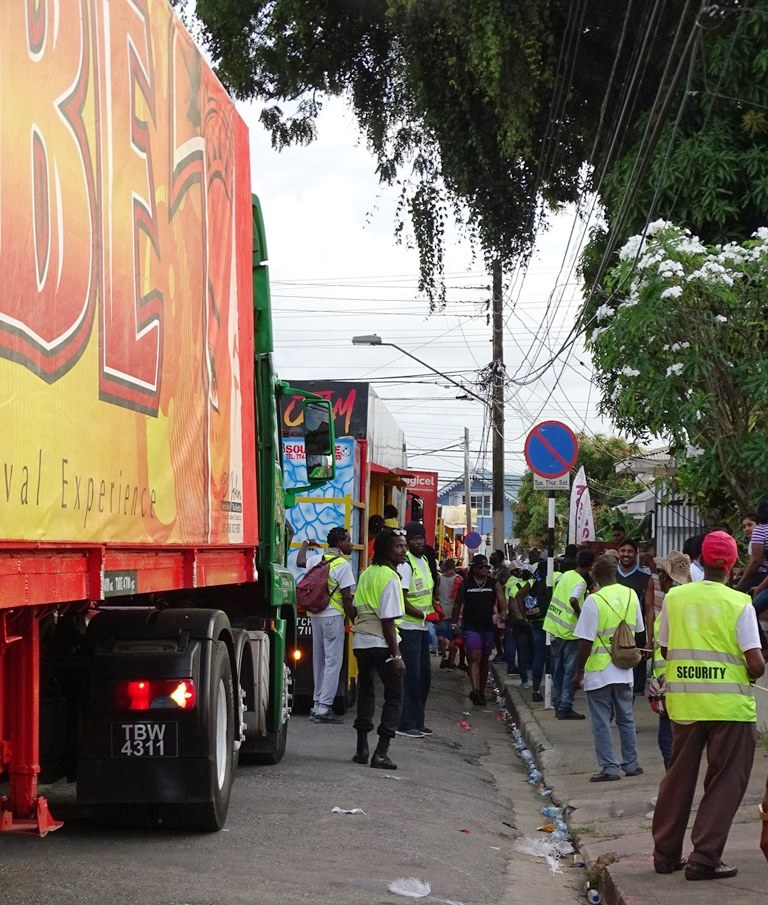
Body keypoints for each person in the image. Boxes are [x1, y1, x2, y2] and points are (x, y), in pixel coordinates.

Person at [652, 531, 765, 881]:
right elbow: (756, 664)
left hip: (685, 704)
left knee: (678, 777)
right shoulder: (739, 603)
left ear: (699, 558)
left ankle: (666, 855)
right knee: (726, 781)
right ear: (731, 565)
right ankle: (704, 858)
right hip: (730, 709)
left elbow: (666, 649)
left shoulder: (676, 598)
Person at [573, 555, 644, 782]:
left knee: (601, 721)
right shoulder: (631, 595)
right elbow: (639, 628)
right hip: (624, 668)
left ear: (594, 576)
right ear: (615, 573)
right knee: (626, 718)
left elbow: (585, 641)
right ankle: (631, 764)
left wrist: (579, 672)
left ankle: (610, 768)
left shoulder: (594, 601)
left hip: (599, 671)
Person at [351, 528, 408, 769]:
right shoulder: (390, 577)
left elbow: (354, 608)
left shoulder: (366, 574)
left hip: (361, 642)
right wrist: (396, 655)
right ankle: (381, 752)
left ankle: (361, 749)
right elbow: (387, 620)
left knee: (365, 693)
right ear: (386, 550)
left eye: (403, 545)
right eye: (398, 546)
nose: (403, 550)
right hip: (383, 643)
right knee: (394, 696)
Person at [296, 528, 357, 724]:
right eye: (348, 540)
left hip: (315, 615)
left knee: (319, 661)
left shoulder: (317, 560)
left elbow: (299, 562)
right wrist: (355, 619)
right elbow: (347, 598)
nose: (351, 544)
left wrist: (305, 543)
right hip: (332, 616)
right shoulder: (343, 565)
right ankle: (324, 708)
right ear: (340, 542)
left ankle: (316, 704)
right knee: (333, 662)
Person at [648, 551, 691, 768]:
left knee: (668, 740)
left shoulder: (673, 602)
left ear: (667, 577)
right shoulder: (688, 600)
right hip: (682, 678)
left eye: (660, 574)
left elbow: (666, 647)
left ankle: (674, 793)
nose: (658, 580)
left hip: (671, 679)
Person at [396, 522, 438, 738]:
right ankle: (405, 723)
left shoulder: (424, 561)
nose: (419, 542)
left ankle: (418, 721)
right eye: (414, 539)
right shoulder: (406, 564)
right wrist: (424, 614)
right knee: (411, 677)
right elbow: (402, 601)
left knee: (423, 678)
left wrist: (434, 607)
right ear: (408, 541)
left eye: (421, 538)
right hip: (408, 627)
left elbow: (427, 593)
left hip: (422, 628)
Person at [543, 548, 594, 720]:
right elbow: (573, 599)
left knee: (558, 669)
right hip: (570, 631)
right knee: (570, 671)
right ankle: (565, 706)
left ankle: (558, 703)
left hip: (554, 626)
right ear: (591, 566)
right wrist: (581, 615)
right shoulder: (581, 582)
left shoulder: (566, 575)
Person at [454, 554, 500, 705]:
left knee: (485, 659)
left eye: (487, 567)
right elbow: (457, 604)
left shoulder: (493, 583)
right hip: (471, 626)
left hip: (487, 626)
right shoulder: (466, 585)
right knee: (475, 656)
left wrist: (504, 613)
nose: (485, 569)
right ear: (474, 568)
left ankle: (481, 690)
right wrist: (454, 624)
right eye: (481, 566)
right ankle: (475, 690)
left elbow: (502, 601)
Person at [616, 538, 654, 697]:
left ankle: (625, 719)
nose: (626, 554)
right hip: (610, 636)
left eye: (630, 551)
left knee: (632, 686)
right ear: (618, 553)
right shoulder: (610, 574)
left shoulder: (645, 577)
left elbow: (650, 610)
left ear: (636, 554)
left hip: (636, 637)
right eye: (623, 551)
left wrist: (649, 639)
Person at [436, 559, 461, 668]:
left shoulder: (439, 578)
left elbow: (436, 593)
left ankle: (444, 656)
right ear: (454, 566)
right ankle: (451, 662)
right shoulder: (459, 579)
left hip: (442, 610)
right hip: (455, 611)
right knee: (454, 635)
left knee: (441, 634)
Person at [490, 550, 510, 660]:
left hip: (500, 606)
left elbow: (506, 586)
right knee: (495, 631)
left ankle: (504, 653)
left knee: (502, 631)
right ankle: (499, 652)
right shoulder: (493, 571)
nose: (491, 556)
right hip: (493, 606)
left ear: (499, 558)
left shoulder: (504, 571)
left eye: (493, 555)